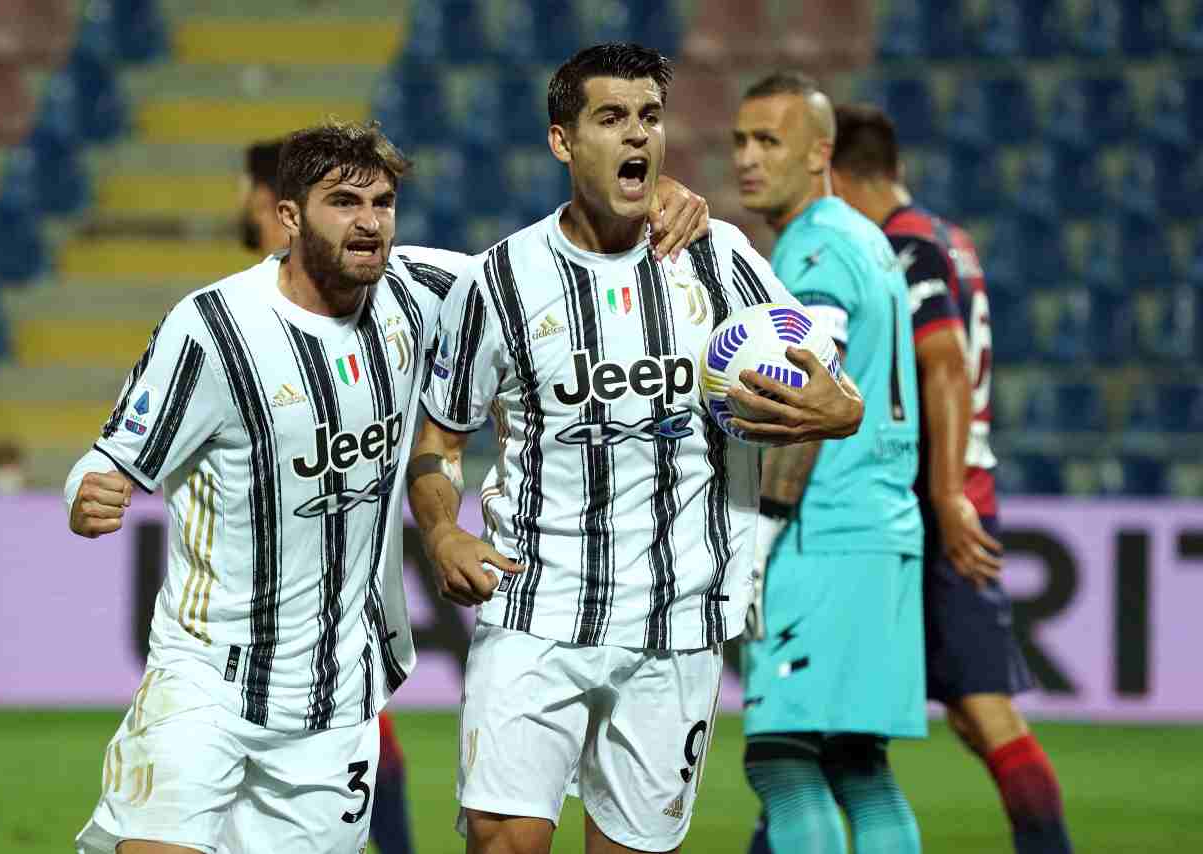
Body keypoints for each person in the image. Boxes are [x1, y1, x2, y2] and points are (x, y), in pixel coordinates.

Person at [67, 117, 712, 854]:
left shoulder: (422, 289)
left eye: (382, 203)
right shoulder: (213, 329)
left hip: (339, 695)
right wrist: (89, 493)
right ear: (288, 217)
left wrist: (647, 195)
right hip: (207, 675)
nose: (370, 223)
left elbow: (547, 266)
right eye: (345, 202)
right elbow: (109, 457)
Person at [409, 44, 863, 854]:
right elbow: (438, 438)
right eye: (611, 118)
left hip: (677, 624)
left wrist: (839, 409)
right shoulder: (500, 282)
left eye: (649, 117)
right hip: (534, 611)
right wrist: (442, 528)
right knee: (500, 844)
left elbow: (826, 379)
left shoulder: (717, 258)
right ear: (562, 141)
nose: (636, 137)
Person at [831, 102, 1073, 854]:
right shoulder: (952, 240)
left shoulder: (901, 249)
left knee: (832, 713)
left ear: (837, 173)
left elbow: (942, 368)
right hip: (960, 495)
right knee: (971, 712)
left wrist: (942, 494)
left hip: (933, 508)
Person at [733, 72, 924, 854]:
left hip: (824, 536)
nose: (747, 158)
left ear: (819, 154)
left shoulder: (812, 249)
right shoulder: (865, 239)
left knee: (781, 762)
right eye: (741, 140)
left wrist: (765, 529)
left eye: (768, 141)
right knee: (858, 765)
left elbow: (810, 394)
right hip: (881, 530)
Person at [240, 136, 417, 854]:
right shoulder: (243, 310)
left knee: (363, 738)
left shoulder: (356, 294)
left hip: (324, 592)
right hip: (276, 596)